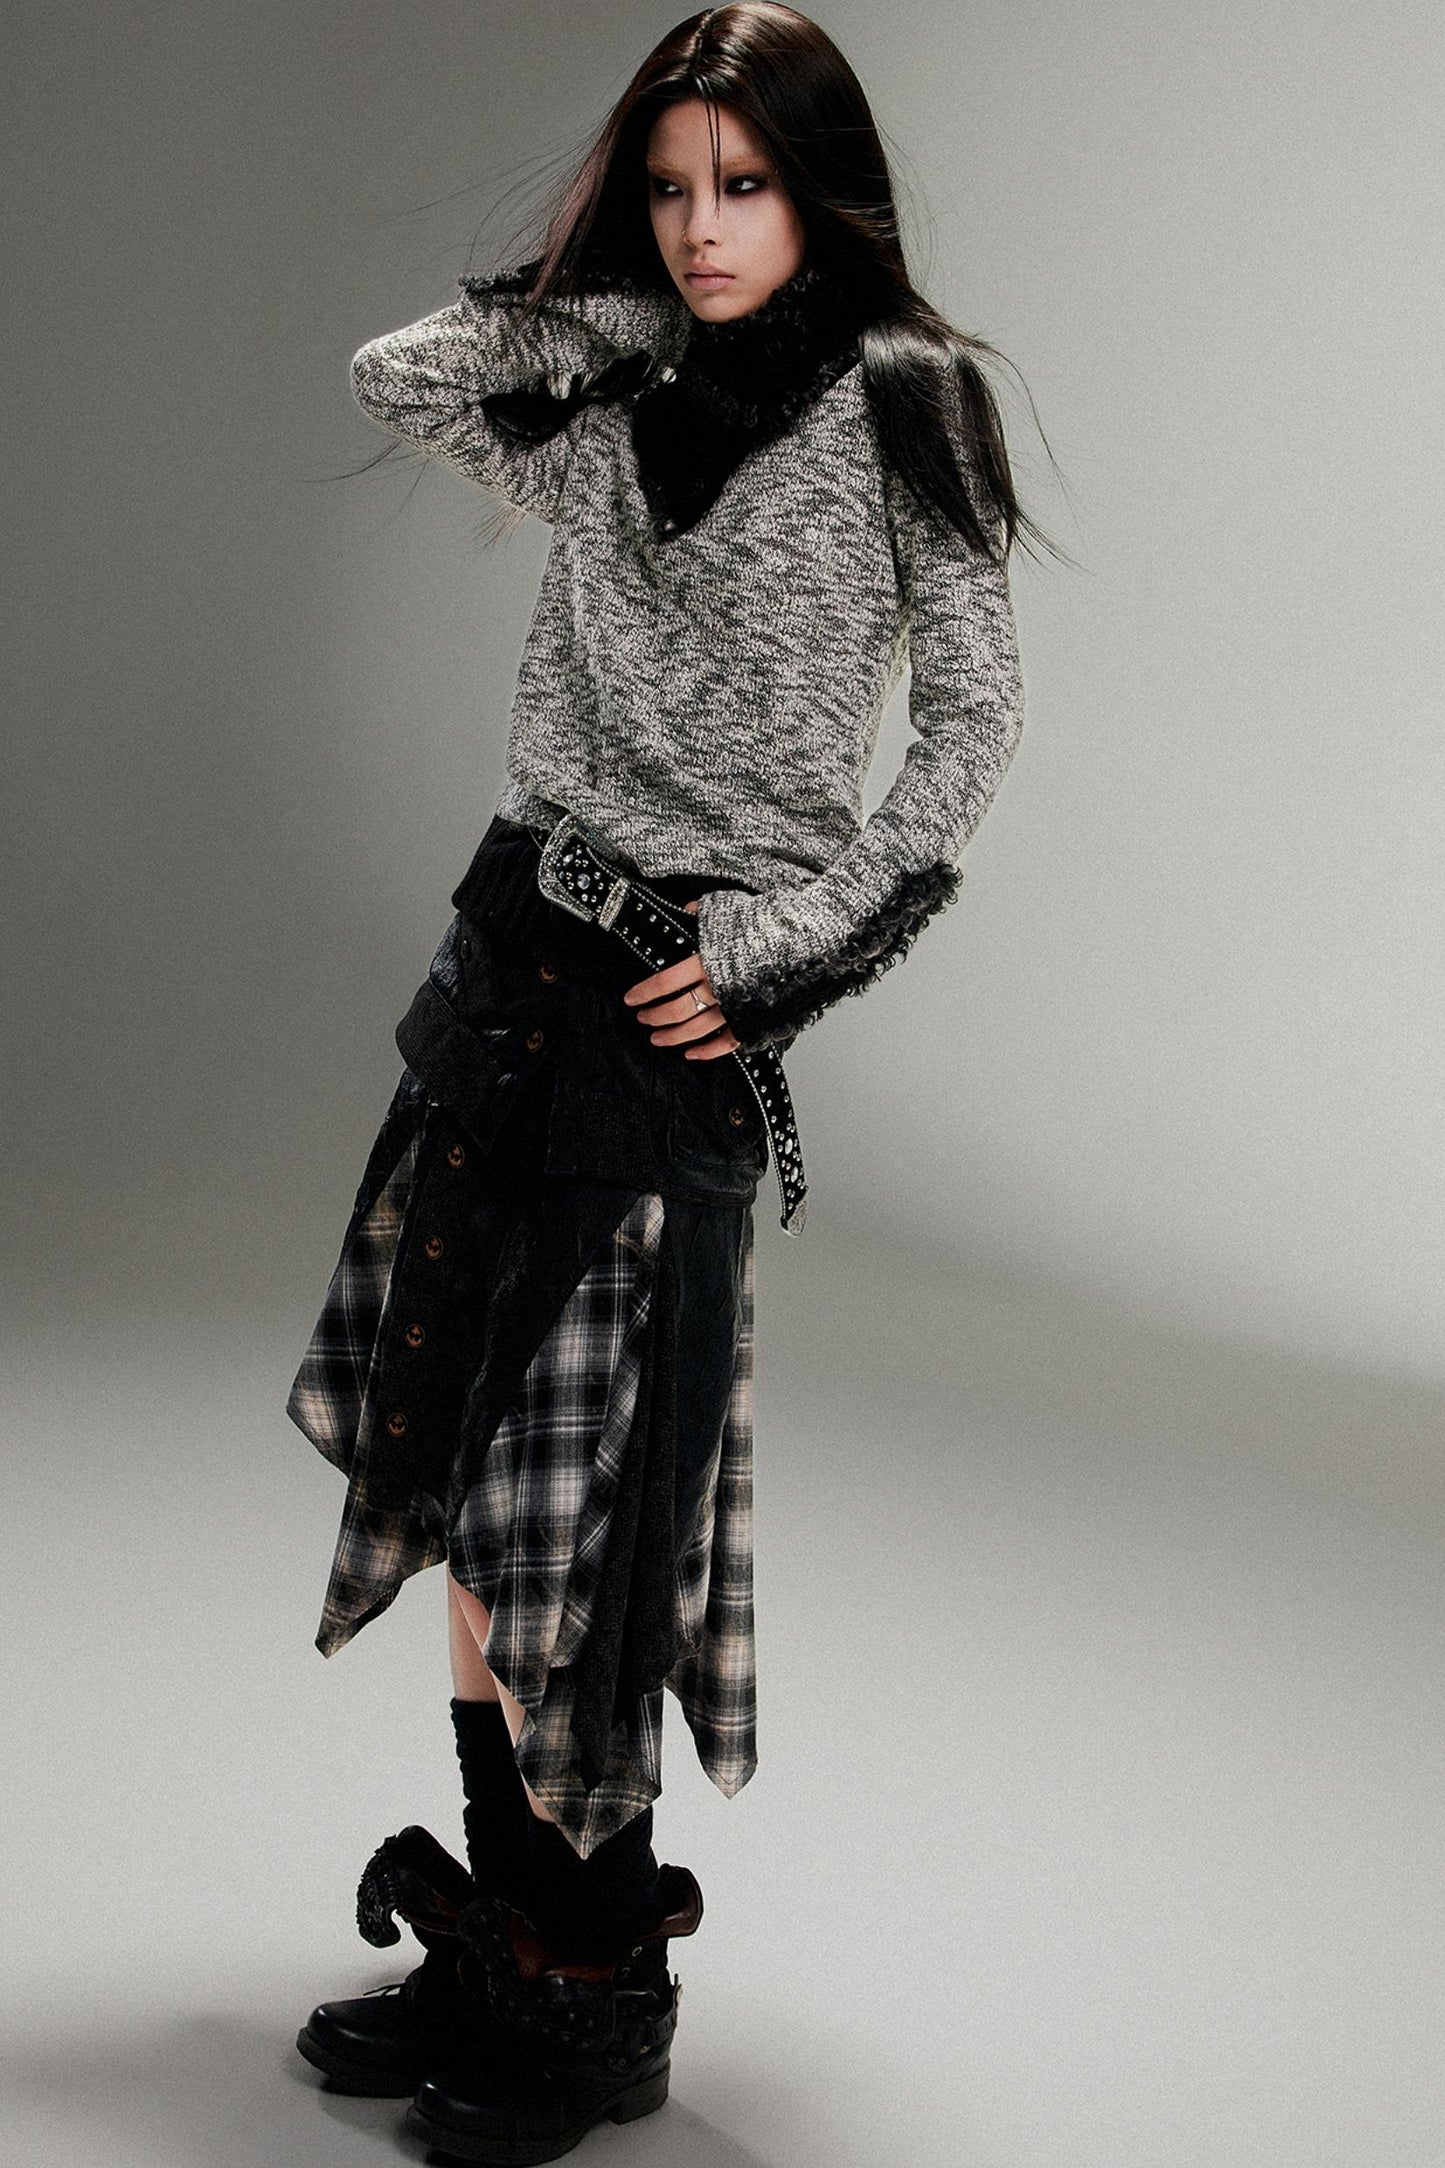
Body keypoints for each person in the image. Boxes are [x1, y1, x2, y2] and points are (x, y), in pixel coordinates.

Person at [289, 4, 1047, 2158]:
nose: (707, 229)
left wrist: (781, 953)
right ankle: (502, 1936)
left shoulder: (910, 400)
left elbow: (971, 730)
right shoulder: (614, 384)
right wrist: (620, 304)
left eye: (747, 184)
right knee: (461, 1478)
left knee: (593, 1528)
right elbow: (399, 374)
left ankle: (589, 1983)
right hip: (506, 971)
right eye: (672, 188)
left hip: (667, 1019)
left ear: (825, 187)